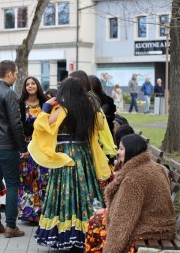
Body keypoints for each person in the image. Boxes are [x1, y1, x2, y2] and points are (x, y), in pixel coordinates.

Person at [29, 77, 112, 250]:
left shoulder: (62, 110)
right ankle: (92, 229)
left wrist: (46, 107)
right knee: (87, 190)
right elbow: (101, 125)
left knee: (64, 191)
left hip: (65, 155)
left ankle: (67, 232)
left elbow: (41, 125)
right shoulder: (88, 108)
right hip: (84, 155)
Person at [85, 134, 176, 253]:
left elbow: (122, 220)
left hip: (151, 229)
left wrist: (111, 250)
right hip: (163, 224)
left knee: (95, 223)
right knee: (97, 218)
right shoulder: (155, 167)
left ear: (132, 150)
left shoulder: (133, 179)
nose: (118, 152)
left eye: (121, 149)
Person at [0, 60, 28, 238]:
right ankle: (10, 226)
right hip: (7, 146)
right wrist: (22, 147)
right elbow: (16, 123)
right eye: (15, 73)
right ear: (9, 73)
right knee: (11, 184)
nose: (16, 76)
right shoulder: (9, 94)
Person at [18, 76, 48, 225]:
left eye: (33, 83)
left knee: (43, 178)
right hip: (27, 146)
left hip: (43, 146)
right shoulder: (20, 104)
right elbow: (19, 127)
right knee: (28, 178)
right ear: (25, 87)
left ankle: (44, 210)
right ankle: (29, 212)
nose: (30, 86)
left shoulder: (45, 103)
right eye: (27, 84)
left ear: (37, 85)